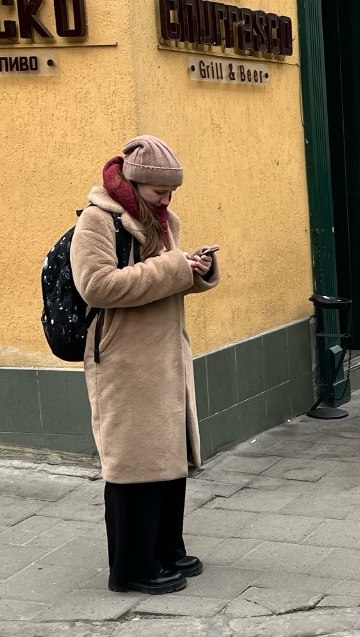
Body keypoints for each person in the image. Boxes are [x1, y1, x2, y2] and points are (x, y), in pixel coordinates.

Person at [70, 136, 220, 595]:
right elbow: (96, 286)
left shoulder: (164, 220)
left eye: (172, 191)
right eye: (160, 191)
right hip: (124, 359)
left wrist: (196, 270)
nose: (167, 199)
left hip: (165, 355)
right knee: (134, 464)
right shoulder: (98, 220)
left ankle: (165, 549)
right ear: (134, 183)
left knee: (167, 457)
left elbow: (163, 280)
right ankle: (133, 568)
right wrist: (175, 267)